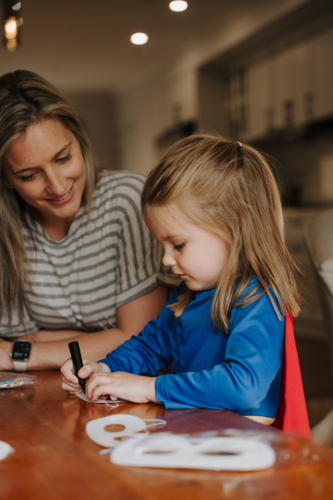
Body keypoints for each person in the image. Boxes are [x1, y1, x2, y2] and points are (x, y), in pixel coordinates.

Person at [61, 134, 302, 423]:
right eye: (161, 245)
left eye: (178, 245)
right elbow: (149, 347)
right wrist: (104, 369)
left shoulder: (257, 296)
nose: (166, 260)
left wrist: (152, 388)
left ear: (234, 229)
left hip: (240, 441)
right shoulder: (187, 294)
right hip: (193, 427)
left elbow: (244, 387)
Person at [0, 70, 178, 371]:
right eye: (30, 175)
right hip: (60, 389)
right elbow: (17, 334)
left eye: (63, 158)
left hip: (135, 387)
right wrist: (102, 338)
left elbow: (138, 339)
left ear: (79, 138)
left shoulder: (129, 201)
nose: (57, 187)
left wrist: (18, 354)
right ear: (5, 178)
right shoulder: (7, 228)